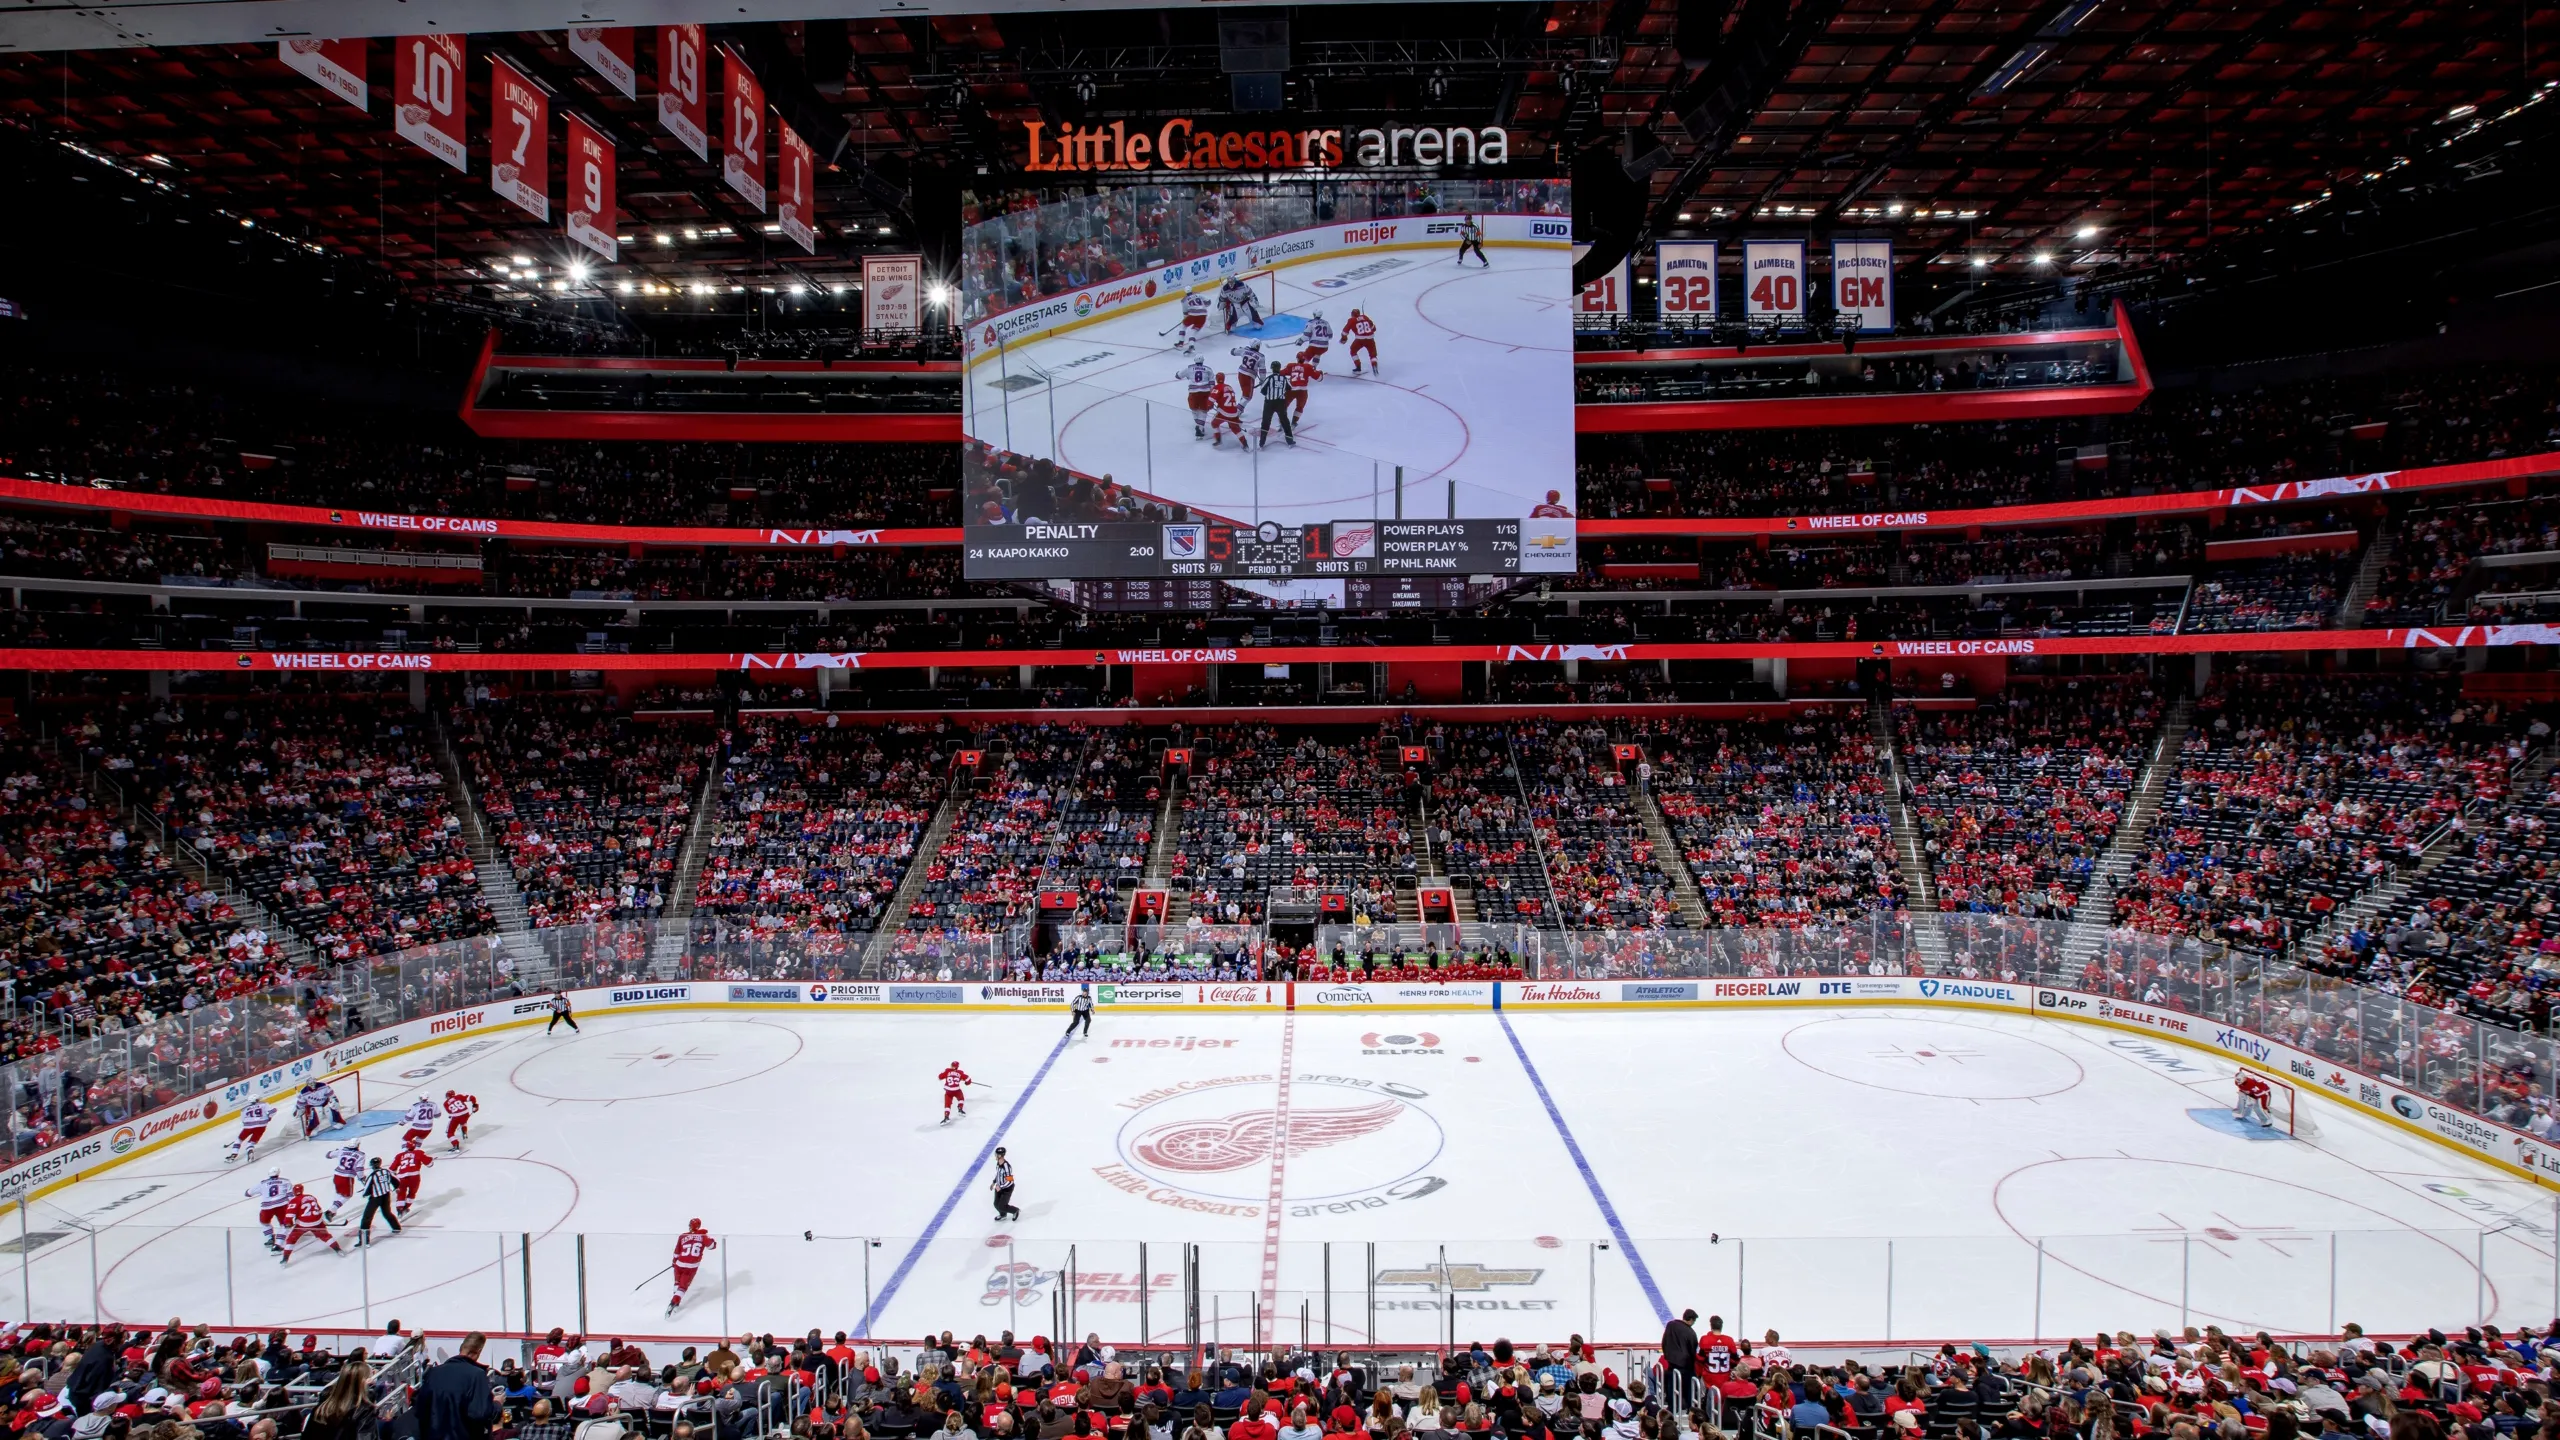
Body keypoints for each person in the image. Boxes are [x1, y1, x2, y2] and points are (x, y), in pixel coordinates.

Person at [418, 1332, 498, 1440]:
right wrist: (497, 1404)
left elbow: (420, 1410)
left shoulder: (434, 1373)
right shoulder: (476, 1375)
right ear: (478, 1352)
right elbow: (480, 1413)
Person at [277, 1183, 344, 1264]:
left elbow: (289, 1216)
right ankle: (338, 1250)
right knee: (326, 1236)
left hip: (302, 1224)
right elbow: (319, 1210)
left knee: (291, 1239)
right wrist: (320, 1222)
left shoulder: (294, 1201)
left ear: (294, 1192)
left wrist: (288, 1224)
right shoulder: (311, 1197)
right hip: (317, 1222)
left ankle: (285, 1259)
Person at [669, 1220, 716, 1315]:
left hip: (679, 1263)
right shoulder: (702, 1236)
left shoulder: (683, 1236)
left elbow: (677, 1252)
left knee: (677, 1283)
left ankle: (675, 1300)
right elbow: (711, 1246)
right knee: (682, 1287)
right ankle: (674, 1303)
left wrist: (674, 1262)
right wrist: (707, 1237)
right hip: (691, 1266)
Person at [246, 1169, 292, 1252]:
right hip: (282, 1205)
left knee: (264, 1222)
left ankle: (270, 1237)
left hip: (267, 1207)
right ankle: (278, 1244)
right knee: (285, 1224)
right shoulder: (286, 1181)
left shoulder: (263, 1183)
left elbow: (248, 1193)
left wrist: (248, 1192)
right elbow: (291, 1196)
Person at [357, 1157, 401, 1242]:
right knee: (387, 1213)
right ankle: (396, 1227)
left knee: (367, 1217)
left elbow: (367, 1188)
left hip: (375, 1198)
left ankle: (364, 1241)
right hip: (386, 1196)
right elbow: (396, 1181)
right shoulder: (386, 1172)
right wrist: (396, 1187)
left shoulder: (372, 1175)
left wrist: (364, 1194)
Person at [390, 1137, 434, 1215]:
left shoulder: (399, 1155)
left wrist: (395, 1177)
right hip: (414, 1176)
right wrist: (431, 1159)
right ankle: (406, 1207)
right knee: (412, 1193)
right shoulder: (418, 1153)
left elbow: (391, 1170)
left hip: (401, 1177)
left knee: (401, 1193)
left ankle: (399, 1209)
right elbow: (429, 1164)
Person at [1257, 365, 1298, 449]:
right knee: (1285, 422)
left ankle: (1261, 443)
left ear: (1272, 368)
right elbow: (1290, 388)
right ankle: (1290, 441)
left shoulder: (1269, 378)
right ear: (1279, 369)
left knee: (1265, 422)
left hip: (1269, 403)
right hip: (1280, 403)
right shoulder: (1284, 379)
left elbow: (1262, 390)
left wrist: (1269, 394)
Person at [325, 1140, 367, 1221]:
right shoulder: (361, 1155)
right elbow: (359, 1169)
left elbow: (328, 1155)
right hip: (347, 1177)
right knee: (347, 1195)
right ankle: (331, 1210)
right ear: (358, 1145)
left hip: (337, 1175)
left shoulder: (342, 1150)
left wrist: (335, 1151)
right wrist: (362, 1178)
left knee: (339, 1193)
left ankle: (333, 1211)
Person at [1345, 310, 1379, 376]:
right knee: (1373, 355)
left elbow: (1345, 330)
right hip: (1370, 339)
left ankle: (1358, 367)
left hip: (1360, 339)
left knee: (1353, 351)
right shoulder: (1365, 317)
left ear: (1352, 314)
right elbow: (1374, 328)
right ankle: (1374, 365)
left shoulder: (1352, 320)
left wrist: (1343, 338)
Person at [991, 1148, 1021, 1221]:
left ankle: (1015, 1210)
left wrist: (1000, 1187)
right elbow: (998, 1174)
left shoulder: (1007, 1167)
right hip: (999, 1187)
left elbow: (1010, 1181)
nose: (995, 1156)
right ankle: (1003, 1215)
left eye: (997, 1154)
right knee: (996, 1204)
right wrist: (994, 1182)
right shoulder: (998, 1163)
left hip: (1007, 1189)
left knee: (1002, 1206)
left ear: (1001, 1155)